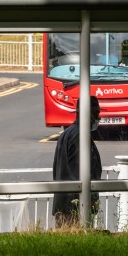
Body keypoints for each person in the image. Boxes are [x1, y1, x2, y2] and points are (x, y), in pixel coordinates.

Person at [52, 96, 103, 227]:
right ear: (90, 114)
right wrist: (88, 200)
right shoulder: (80, 136)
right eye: (97, 113)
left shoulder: (67, 133)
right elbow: (80, 171)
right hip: (74, 207)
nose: (99, 118)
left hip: (64, 204)